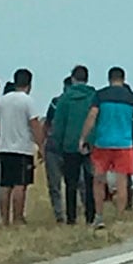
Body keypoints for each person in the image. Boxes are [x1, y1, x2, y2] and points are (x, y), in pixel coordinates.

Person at [79, 67, 133, 229]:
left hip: (103, 143)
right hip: (124, 144)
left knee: (99, 180)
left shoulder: (100, 95)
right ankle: (120, 217)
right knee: (122, 182)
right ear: (123, 79)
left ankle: (99, 216)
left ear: (109, 79)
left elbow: (92, 117)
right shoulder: (132, 97)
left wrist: (83, 138)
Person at [0, 69, 45, 225]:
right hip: (22, 148)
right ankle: (17, 217)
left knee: (5, 185)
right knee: (19, 185)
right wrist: (40, 145)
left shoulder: (3, 100)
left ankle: (4, 219)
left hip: (4, 147)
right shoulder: (27, 101)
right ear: (29, 84)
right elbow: (34, 124)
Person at [52, 65, 97, 225]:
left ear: (72, 79)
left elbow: (59, 124)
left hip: (69, 144)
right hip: (91, 144)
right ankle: (91, 215)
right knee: (91, 180)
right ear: (87, 78)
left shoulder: (65, 98)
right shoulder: (94, 96)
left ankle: (71, 217)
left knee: (71, 182)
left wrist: (57, 142)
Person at [43, 76, 72, 223]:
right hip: (57, 147)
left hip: (61, 147)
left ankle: (67, 212)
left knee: (66, 183)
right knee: (57, 184)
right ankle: (60, 214)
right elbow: (47, 124)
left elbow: (47, 126)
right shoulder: (55, 103)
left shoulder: (60, 103)